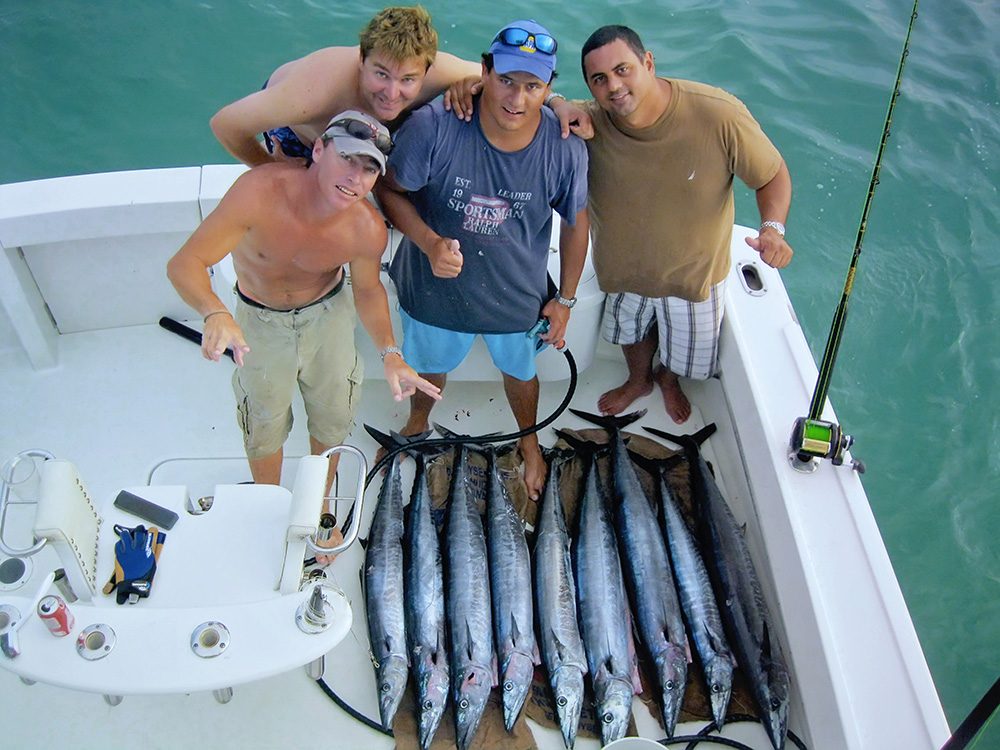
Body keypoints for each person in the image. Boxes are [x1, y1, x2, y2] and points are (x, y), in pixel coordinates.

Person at [167, 110, 441, 498]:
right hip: (257, 323)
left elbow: (366, 290)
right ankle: (267, 502)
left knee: (333, 419)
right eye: (346, 158)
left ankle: (318, 498)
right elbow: (186, 263)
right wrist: (215, 312)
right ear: (318, 149)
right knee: (262, 423)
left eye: (368, 169)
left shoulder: (366, 227)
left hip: (327, 318)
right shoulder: (257, 193)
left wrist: (391, 353)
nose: (354, 178)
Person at [375, 20, 590, 500]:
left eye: (533, 86)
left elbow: (577, 221)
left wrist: (567, 299)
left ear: (549, 88)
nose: (516, 98)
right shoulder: (435, 125)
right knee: (429, 365)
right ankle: (415, 424)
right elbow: (389, 189)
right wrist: (430, 243)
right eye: (507, 81)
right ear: (484, 72)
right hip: (433, 288)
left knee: (522, 374)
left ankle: (528, 441)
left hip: (516, 294)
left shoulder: (564, 147)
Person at [553, 25, 794, 423]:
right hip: (624, 274)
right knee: (630, 336)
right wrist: (560, 101)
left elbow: (772, 174)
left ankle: (667, 379)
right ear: (590, 88)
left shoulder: (718, 113)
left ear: (648, 62)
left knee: (686, 354)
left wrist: (773, 227)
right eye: (599, 79)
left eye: (623, 69)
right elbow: (536, 99)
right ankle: (638, 380)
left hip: (694, 278)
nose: (613, 86)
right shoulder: (589, 120)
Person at [210, 6, 483, 167]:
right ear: (362, 59)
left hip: (370, 138)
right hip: (302, 137)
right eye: (381, 74)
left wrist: (471, 84)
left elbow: (496, 77)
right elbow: (226, 125)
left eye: (408, 80)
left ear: (426, 71)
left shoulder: (441, 70)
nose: (391, 93)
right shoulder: (313, 93)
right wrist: (268, 167)